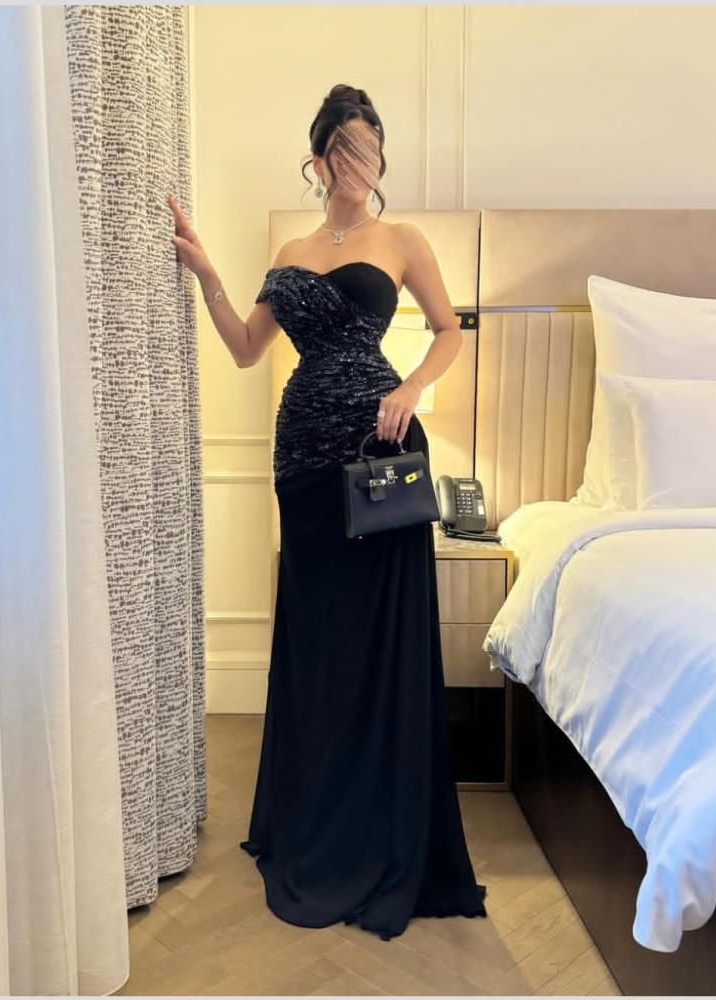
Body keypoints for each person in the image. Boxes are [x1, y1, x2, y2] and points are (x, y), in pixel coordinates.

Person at [167, 83, 487, 942]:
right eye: (343, 149)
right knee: (316, 636)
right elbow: (246, 349)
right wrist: (206, 274)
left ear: (381, 159)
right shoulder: (292, 249)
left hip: (379, 455)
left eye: (369, 149)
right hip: (303, 458)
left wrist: (411, 388)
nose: (358, 163)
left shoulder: (403, 240)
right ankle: (313, 819)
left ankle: (377, 827)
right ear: (318, 161)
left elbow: (449, 330)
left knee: (374, 637)